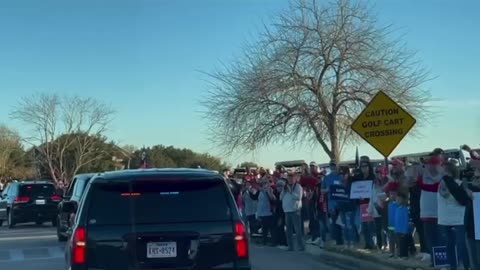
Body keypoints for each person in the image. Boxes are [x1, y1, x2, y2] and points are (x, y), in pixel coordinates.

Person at [444, 160, 480, 270]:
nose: (475, 178)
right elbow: (460, 197)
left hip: (475, 230)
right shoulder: (470, 191)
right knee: (475, 263)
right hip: (473, 230)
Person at [437, 160, 470, 270]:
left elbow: (462, 199)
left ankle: (466, 266)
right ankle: (452, 266)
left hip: (458, 218)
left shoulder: (459, 184)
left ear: (448, 171)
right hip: (444, 218)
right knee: (448, 244)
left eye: (442, 169)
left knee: (461, 244)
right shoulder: (440, 184)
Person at [419, 155, 444, 265]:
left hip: (439, 213)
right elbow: (414, 182)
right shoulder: (423, 177)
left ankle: (441, 261)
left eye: (432, 164)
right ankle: (434, 261)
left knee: (440, 239)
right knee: (430, 239)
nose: (429, 166)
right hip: (426, 213)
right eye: (428, 164)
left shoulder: (443, 178)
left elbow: (435, 186)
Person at [322, 160, 345, 246]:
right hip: (332, 204)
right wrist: (326, 190)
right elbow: (322, 190)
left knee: (343, 222)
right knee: (335, 222)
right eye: (331, 166)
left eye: (334, 165)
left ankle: (345, 240)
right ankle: (338, 241)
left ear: (337, 166)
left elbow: (345, 188)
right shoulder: (327, 178)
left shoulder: (341, 177)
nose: (333, 167)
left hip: (342, 203)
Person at [281, 171, 305, 251]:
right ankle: (290, 246)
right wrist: (284, 191)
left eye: (292, 178)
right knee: (288, 230)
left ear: (295, 178)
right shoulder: (285, 187)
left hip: (295, 211)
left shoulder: (298, 187)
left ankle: (300, 246)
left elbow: (299, 197)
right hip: (287, 211)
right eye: (289, 178)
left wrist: (291, 191)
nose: (290, 179)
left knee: (297, 230)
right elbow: (280, 198)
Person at [250, 179, 276, 246]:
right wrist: (250, 191)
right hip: (261, 212)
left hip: (268, 212)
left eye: (264, 184)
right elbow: (254, 197)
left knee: (271, 228)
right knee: (264, 228)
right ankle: (264, 241)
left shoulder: (269, 190)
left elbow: (273, 199)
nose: (262, 186)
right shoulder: (259, 192)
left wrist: (268, 191)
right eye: (261, 184)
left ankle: (273, 241)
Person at [368, 167, 388, 251]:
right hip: (376, 207)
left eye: (380, 172)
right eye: (377, 173)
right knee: (378, 229)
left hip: (385, 208)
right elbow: (372, 196)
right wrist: (370, 208)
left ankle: (386, 244)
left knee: (385, 228)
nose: (379, 174)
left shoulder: (387, 182)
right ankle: (379, 245)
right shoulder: (374, 183)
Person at [395, 191, 410, 259]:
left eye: (399, 199)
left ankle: (404, 255)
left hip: (403, 230)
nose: (397, 200)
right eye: (397, 199)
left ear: (403, 200)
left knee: (404, 243)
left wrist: (405, 230)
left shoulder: (405, 209)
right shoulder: (397, 208)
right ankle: (400, 254)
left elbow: (406, 220)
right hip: (398, 229)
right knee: (399, 243)